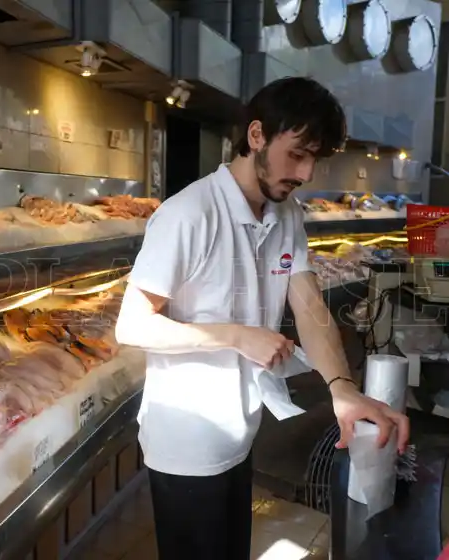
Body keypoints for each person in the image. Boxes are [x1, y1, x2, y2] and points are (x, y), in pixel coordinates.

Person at [114, 77, 410, 560]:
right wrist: (236, 336)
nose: (306, 172)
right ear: (256, 135)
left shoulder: (285, 213)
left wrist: (342, 389)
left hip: (241, 430)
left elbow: (309, 306)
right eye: (297, 154)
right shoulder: (189, 213)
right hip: (188, 442)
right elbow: (132, 325)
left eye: (315, 158)